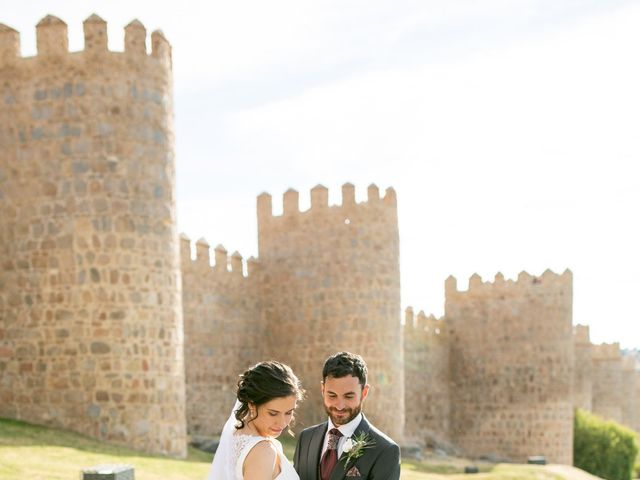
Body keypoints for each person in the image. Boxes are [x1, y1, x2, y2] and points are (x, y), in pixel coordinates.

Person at [293, 352, 400, 480]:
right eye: (332, 395)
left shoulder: (385, 451)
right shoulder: (306, 438)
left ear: (364, 393)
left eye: (349, 396)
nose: (339, 406)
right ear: (322, 389)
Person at [207, 361, 304, 480]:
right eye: (273, 413)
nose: (282, 423)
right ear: (252, 405)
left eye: (289, 412)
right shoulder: (263, 451)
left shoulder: (235, 435)